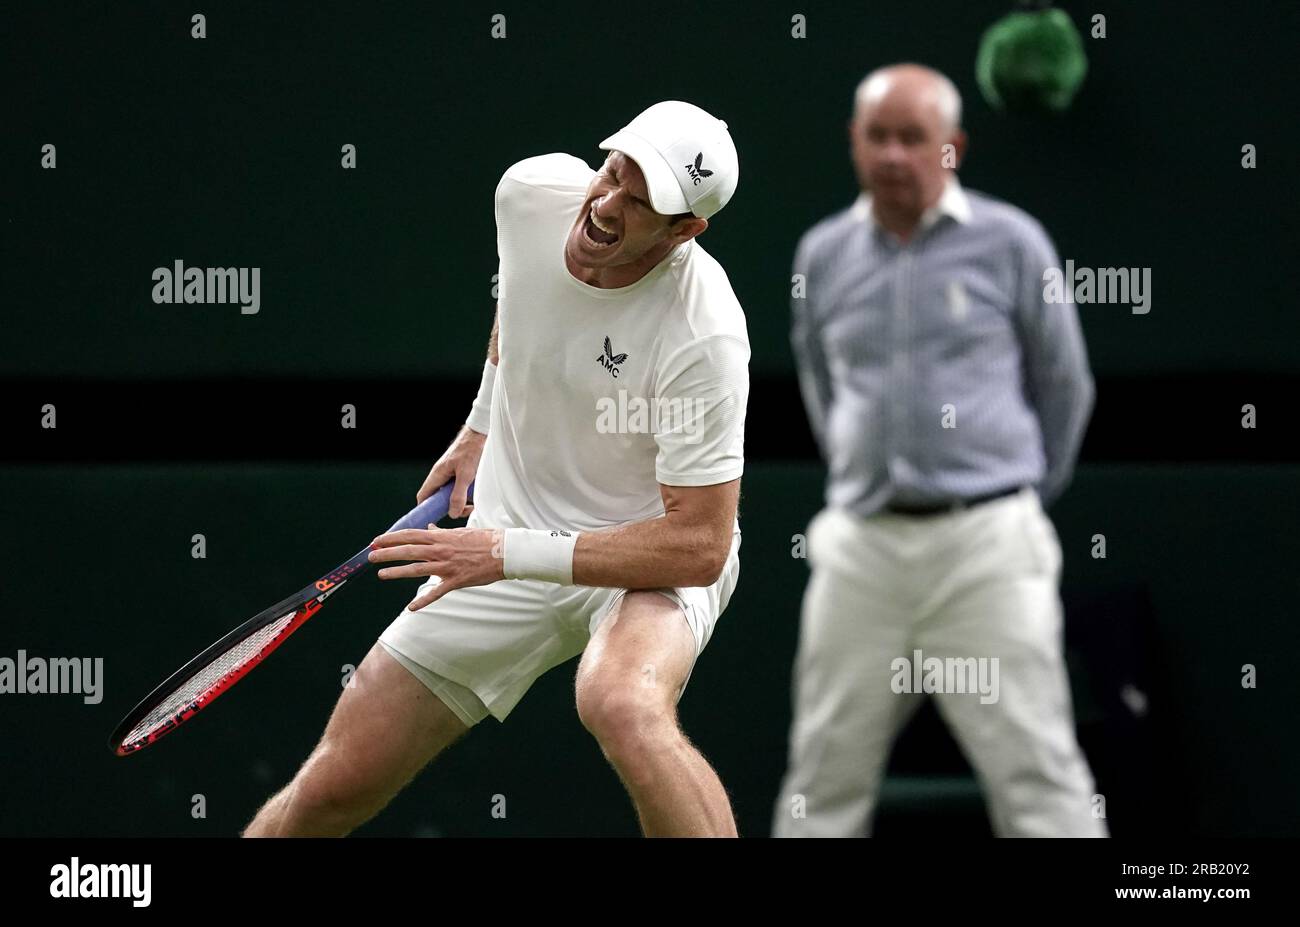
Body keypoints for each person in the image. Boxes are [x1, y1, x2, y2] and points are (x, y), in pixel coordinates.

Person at [243, 101, 749, 837]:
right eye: (613, 173)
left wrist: (503, 550)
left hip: (640, 556)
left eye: (640, 204)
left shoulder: (702, 335)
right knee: (328, 791)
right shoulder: (531, 197)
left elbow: (700, 546)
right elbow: (521, 304)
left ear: (684, 232)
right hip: (504, 536)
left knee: (620, 702)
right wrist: (481, 424)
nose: (606, 207)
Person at [772, 64, 1105, 837]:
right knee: (820, 772)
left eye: (913, 138)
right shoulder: (821, 254)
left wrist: (1006, 496)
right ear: (853, 143)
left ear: (952, 147)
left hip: (988, 544)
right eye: (878, 137)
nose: (894, 155)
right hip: (861, 549)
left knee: (1039, 770)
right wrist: (867, 472)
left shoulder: (1013, 241)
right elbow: (822, 386)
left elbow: (1065, 385)